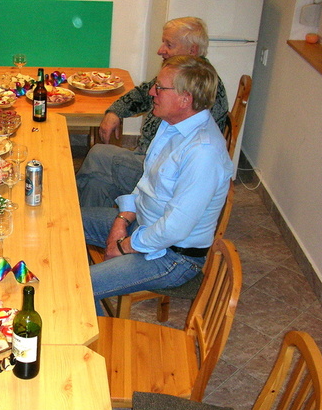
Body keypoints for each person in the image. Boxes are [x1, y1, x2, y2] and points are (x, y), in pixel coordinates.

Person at [83, 56, 233, 316]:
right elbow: (146, 183)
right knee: (62, 223)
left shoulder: (203, 153)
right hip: (143, 226)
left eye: (160, 88)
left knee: (80, 287)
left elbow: (174, 229)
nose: (152, 92)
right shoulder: (171, 125)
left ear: (185, 99)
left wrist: (124, 246)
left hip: (172, 257)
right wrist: (121, 220)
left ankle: (99, 338)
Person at [76, 17, 229, 208]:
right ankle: (86, 221)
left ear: (192, 50)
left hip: (163, 176)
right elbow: (143, 94)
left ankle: (72, 206)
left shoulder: (200, 88)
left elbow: (186, 163)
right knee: (96, 183)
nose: (160, 50)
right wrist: (115, 112)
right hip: (148, 158)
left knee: (99, 155)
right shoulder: (180, 74)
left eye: (169, 45)